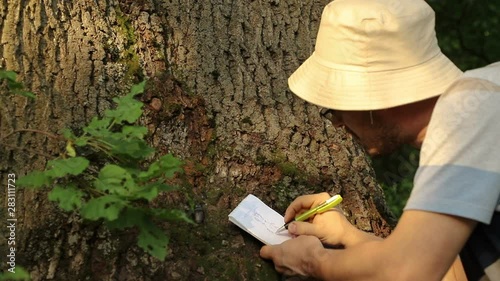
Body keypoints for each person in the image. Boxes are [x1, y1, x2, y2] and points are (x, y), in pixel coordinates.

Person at [259, 0, 500, 280]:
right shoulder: (479, 114)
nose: (337, 122)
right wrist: (348, 235)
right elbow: (446, 273)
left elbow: (406, 272)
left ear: (373, 98)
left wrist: (314, 261)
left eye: (336, 108)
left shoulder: (473, 110)